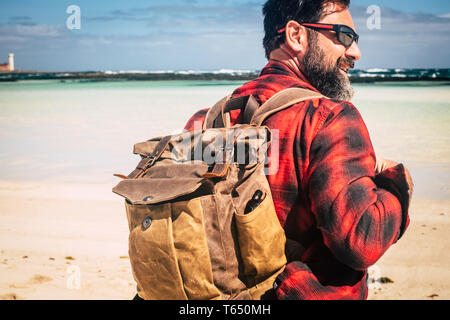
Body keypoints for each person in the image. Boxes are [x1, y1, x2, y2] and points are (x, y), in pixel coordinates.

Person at [184, 0, 413, 300]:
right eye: (344, 36)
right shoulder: (329, 119)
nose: (355, 52)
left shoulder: (206, 120)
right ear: (296, 35)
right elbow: (361, 241)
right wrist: (395, 185)